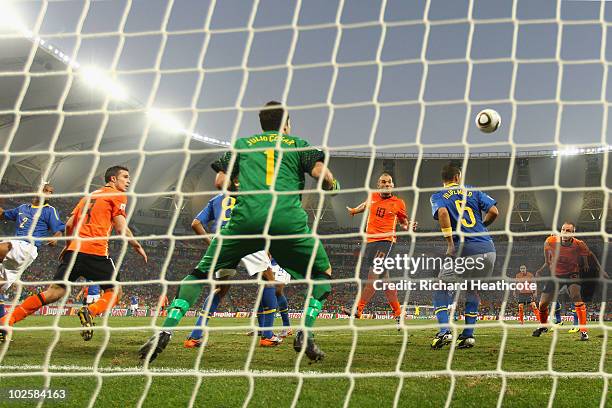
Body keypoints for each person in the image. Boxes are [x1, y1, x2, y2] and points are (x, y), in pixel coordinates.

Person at [139, 101, 339, 363]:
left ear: (262, 124)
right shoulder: (299, 144)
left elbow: (220, 182)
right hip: (286, 223)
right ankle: (305, 332)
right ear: (287, 124)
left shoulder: (243, 145)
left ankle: (166, 330)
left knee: (199, 275)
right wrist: (332, 185)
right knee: (322, 273)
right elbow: (323, 176)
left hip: (244, 222)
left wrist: (239, 191)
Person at [0, 166, 147, 342]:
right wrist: (137, 245)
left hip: (74, 251)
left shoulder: (87, 198)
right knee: (116, 291)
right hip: (96, 252)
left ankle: (6, 321)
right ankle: (90, 310)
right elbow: (122, 227)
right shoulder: (117, 195)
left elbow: (69, 224)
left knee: (53, 293)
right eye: (125, 177)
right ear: (113, 179)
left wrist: (68, 245)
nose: (128, 180)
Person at [429, 163, 498, 349]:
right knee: (471, 289)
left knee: (440, 286)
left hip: (464, 249)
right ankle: (468, 336)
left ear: (443, 178)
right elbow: (494, 211)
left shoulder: (438, 196)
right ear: (458, 177)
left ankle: (444, 331)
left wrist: (450, 243)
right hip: (488, 249)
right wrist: (482, 226)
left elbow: (443, 212)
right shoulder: (473, 191)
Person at [345, 173, 414, 330]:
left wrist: (409, 227)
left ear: (393, 185)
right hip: (370, 243)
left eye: (389, 182)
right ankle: (399, 314)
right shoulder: (373, 196)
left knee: (373, 277)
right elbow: (365, 205)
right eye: (383, 182)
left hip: (386, 242)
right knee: (386, 282)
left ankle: (358, 309)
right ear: (378, 185)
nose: (387, 184)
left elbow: (404, 223)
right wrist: (354, 210)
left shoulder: (398, 202)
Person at [0, 183, 65, 339]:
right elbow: (3, 215)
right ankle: (3, 328)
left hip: (27, 247)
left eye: (51, 192)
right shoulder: (22, 208)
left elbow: (60, 229)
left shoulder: (49, 210)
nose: (48, 194)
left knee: (3, 246)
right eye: (46, 190)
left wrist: (56, 238)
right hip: (15, 254)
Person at [532, 222, 606, 341]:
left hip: (572, 274)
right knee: (542, 304)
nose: (565, 232)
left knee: (576, 295)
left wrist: (601, 270)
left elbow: (591, 255)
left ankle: (583, 331)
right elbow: (547, 258)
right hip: (556, 275)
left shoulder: (579, 244)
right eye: (563, 229)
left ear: (573, 233)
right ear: (560, 230)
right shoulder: (550, 240)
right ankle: (543, 326)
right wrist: (544, 266)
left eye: (568, 230)